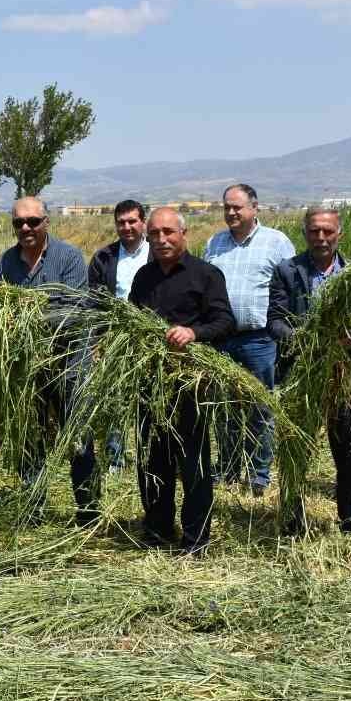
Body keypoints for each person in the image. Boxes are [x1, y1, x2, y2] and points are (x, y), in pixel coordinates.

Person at [129, 206, 235, 554]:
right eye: (154, 234)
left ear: (183, 234)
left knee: (194, 464)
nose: (161, 240)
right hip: (151, 383)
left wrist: (193, 332)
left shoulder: (206, 275)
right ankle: (158, 531)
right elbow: (131, 321)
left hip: (192, 384)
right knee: (153, 460)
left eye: (168, 232)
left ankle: (195, 538)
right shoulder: (143, 278)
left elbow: (224, 322)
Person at [0, 195, 96, 518]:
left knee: (78, 436)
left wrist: (24, 313)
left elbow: (73, 310)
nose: (26, 227)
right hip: (26, 369)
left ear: (46, 223)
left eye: (33, 222)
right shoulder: (6, 263)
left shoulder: (69, 258)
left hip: (69, 364)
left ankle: (88, 509)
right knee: (30, 438)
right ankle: (33, 506)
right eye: (19, 222)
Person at [268, 207, 351, 534]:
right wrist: (301, 339)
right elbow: (276, 320)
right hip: (300, 374)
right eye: (314, 231)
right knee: (295, 450)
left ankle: (350, 522)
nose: (321, 238)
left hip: (344, 375)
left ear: (340, 234)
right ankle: (293, 522)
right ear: (305, 233)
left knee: (348, 453)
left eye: (328, 231)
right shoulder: (287, 271)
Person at [203, 183, 294, 496]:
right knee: (225, 408)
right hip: (222, 340)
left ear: (255, 208)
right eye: (227, 207)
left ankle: (258, 474)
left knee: (260, 408)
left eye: (237, 207)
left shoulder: (276, 243)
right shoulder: (215, 243)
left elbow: (290, 288)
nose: (231, 212)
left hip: (260, 340)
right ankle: (228, 469)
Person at [86, 199, 150, 471]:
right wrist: (97, 340)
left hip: (152, 339)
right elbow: (93, 301)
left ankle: (151, 458)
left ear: (143, 222)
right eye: (121, 222)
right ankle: (115, 460)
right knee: (115, 400)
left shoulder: (157, 253)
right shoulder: (104, 257)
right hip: (114, 338)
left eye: (132, 221)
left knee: (150, 401)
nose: (126, 227)